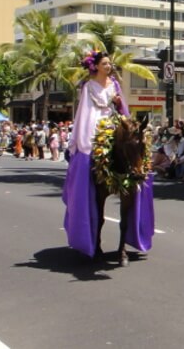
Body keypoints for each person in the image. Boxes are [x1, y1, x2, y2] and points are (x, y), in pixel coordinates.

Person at [62, 50, 130, 258]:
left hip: (113, 123)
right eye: (105, 63)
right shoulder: (88, 86)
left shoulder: (115, 85)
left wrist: (119, 105)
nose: (109, 66)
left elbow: (120, 108)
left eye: (110, 64)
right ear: (96, 66)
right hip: (95, 128)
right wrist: (87, 137)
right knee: (88, 158)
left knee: (133, 147)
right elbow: (86, 112)